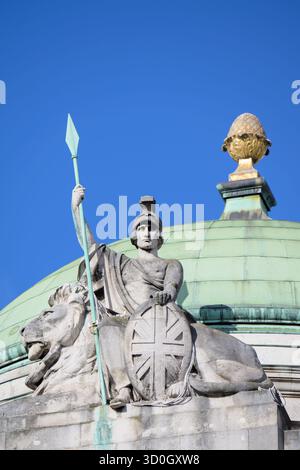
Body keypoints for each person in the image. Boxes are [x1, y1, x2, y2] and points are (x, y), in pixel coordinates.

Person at [71, 185, 183, 407]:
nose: (147, 233)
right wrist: (76, 208)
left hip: (157, 319)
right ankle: (124, 389)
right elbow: (89, 245)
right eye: (142, 229)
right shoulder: (120, 264)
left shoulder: (171, 264)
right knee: (105, 328)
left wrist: (165, 295)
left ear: (159, 237)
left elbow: (171, 287)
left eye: (152, 229)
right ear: (134, 236)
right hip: (126, 320)